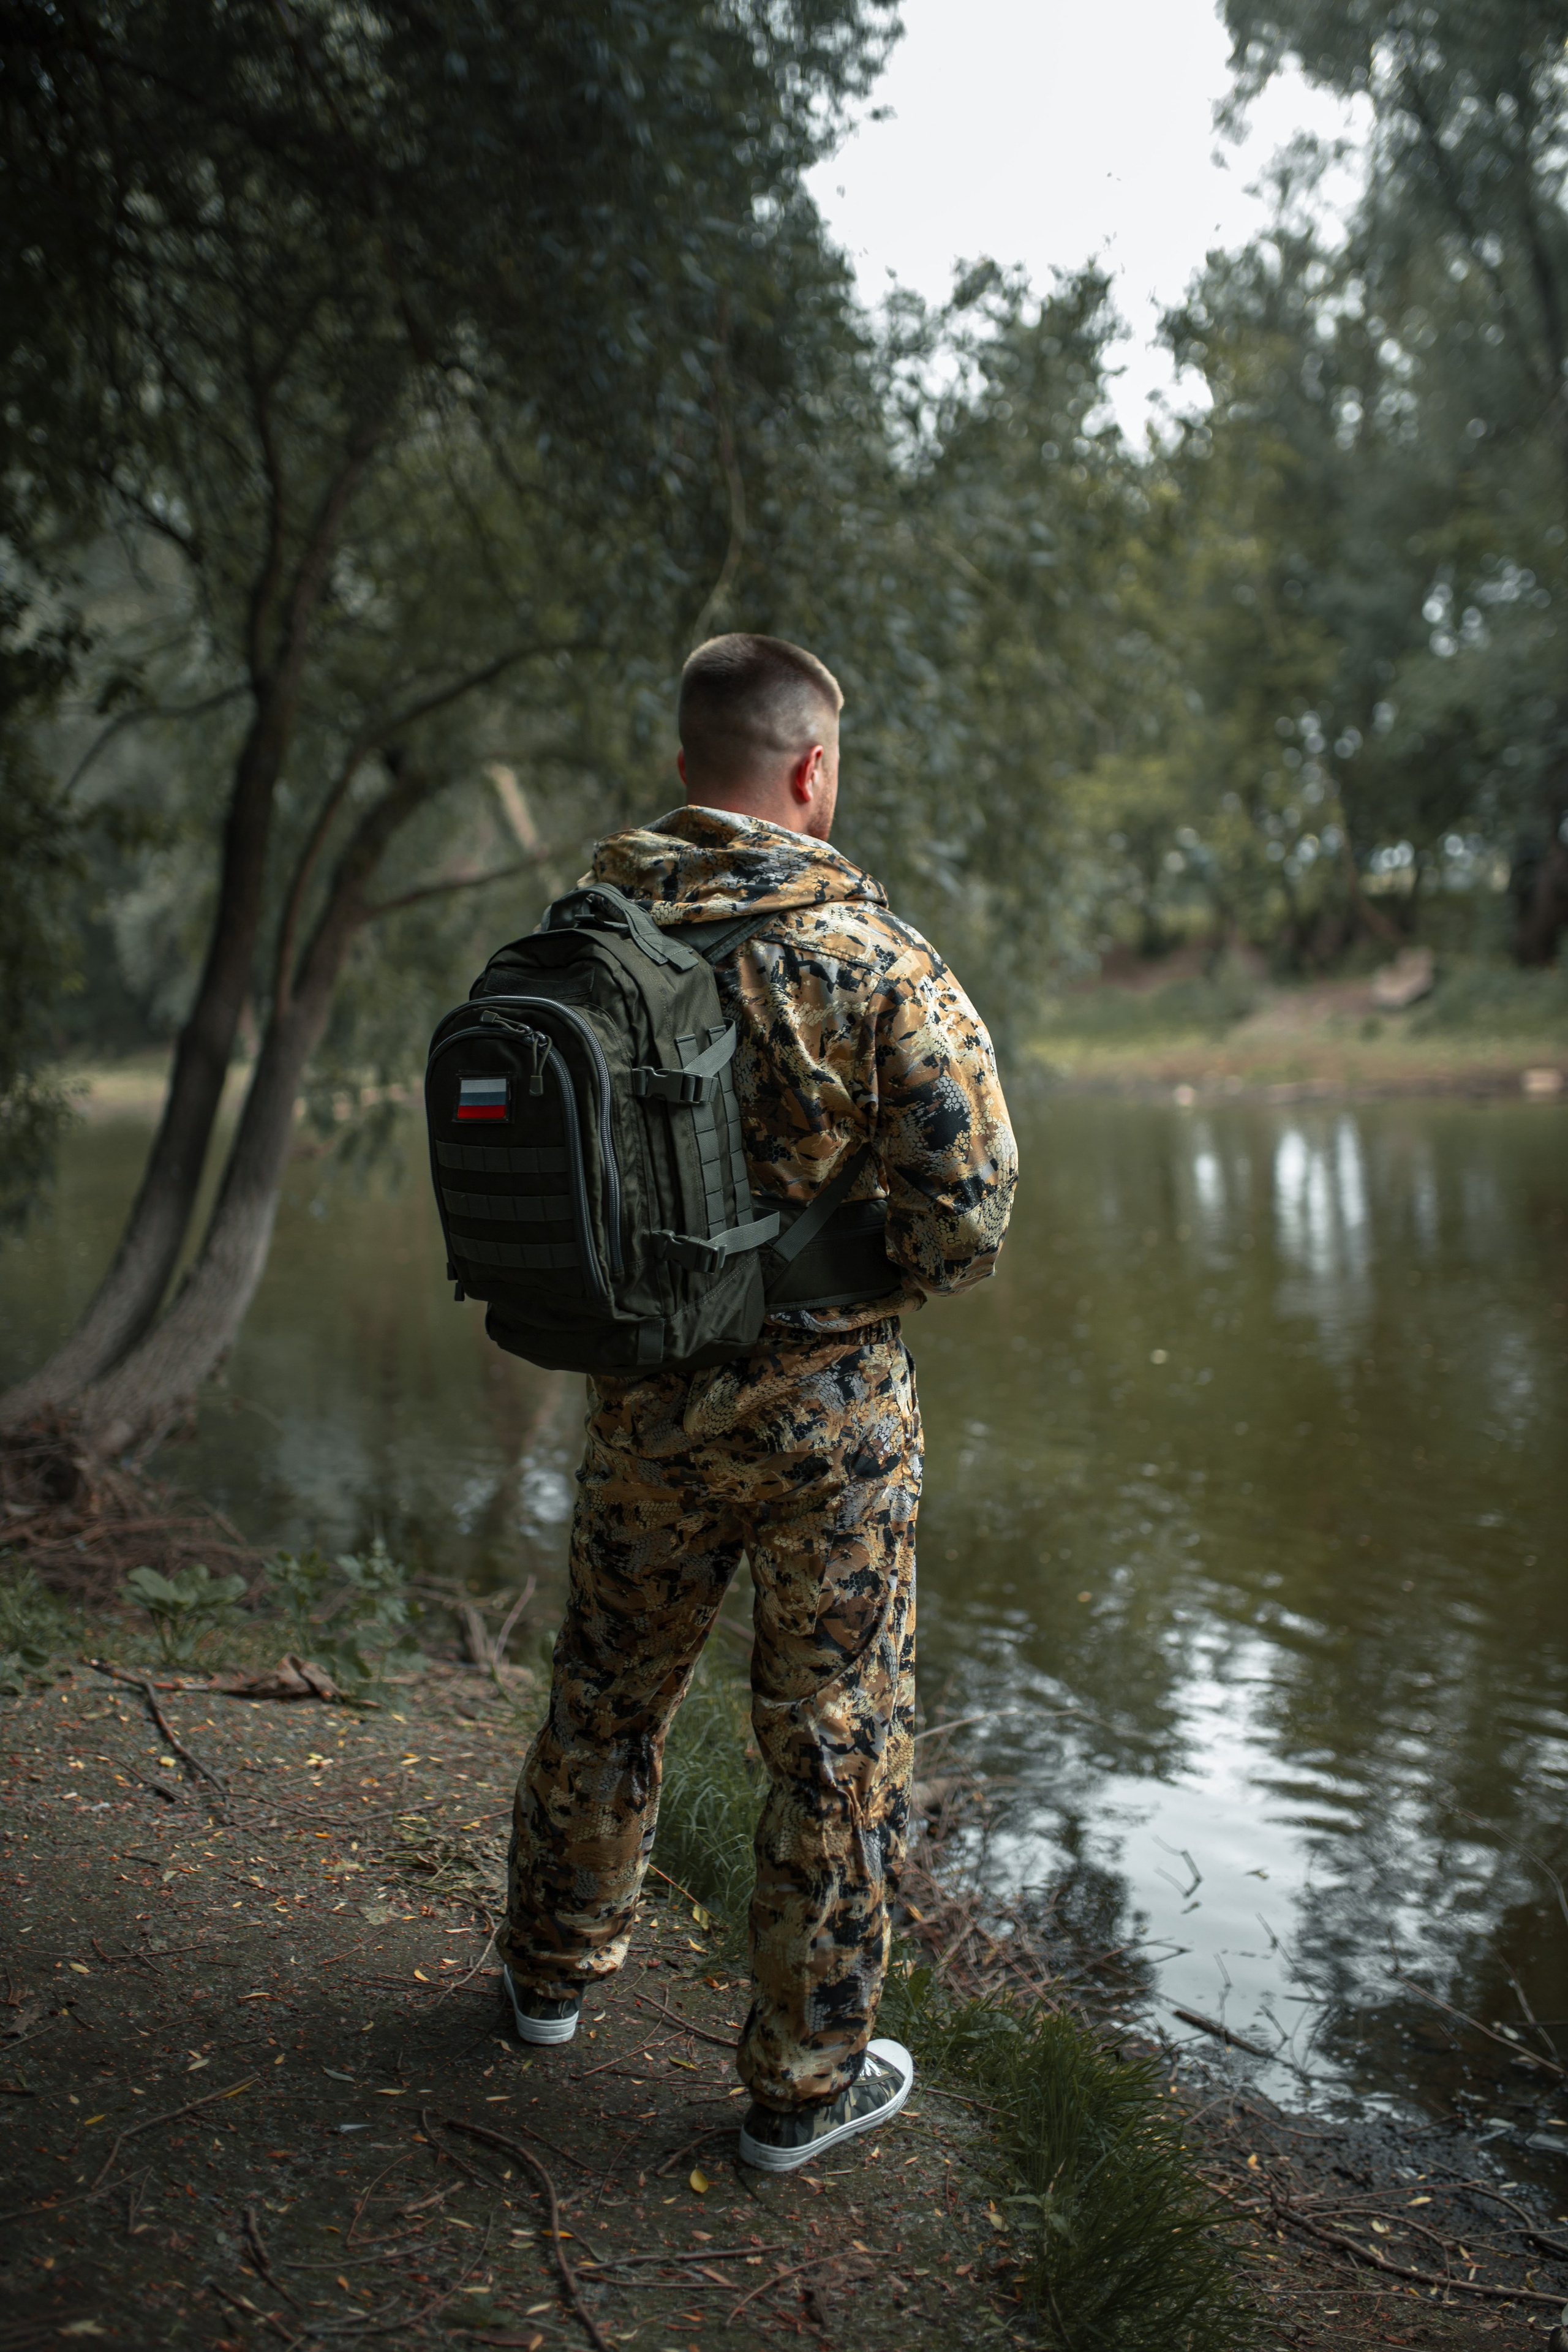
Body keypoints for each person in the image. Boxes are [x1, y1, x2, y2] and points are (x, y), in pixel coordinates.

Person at [498, 633, 1017, 2172]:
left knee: (605, 1690)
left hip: (638, 1405)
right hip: (827, 1422)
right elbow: (969, 1222)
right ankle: (800, 2089)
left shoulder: (583, 943)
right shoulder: (873, 961)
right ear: (812, 772)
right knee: (831, 1736)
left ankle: (544, 1977)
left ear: (684, 768)